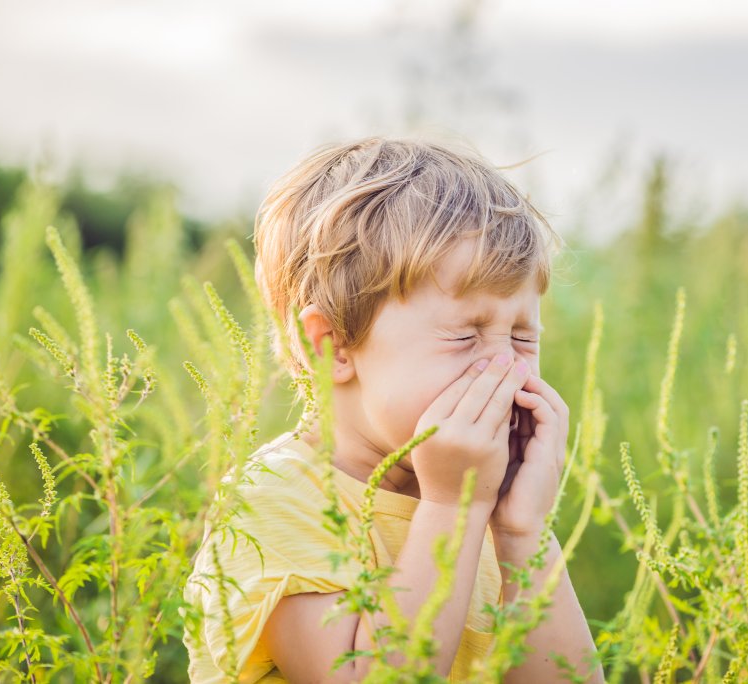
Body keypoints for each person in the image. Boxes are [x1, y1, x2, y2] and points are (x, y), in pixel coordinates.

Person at [182, 136, 604, 683]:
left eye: (523, 338)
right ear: (330, 346)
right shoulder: (275, 503)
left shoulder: (481, 504)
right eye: (465, 335)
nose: (506, 371)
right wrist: (452, 508)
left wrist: (525, 533)